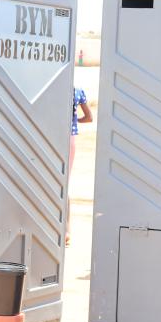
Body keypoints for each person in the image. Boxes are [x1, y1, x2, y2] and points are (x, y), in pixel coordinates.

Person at [67, 87, 93, 246]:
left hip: (55, 135)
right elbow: (89, 117)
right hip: (70, 138)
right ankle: (67, 231)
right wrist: (76, 121)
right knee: (66, 184)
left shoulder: (57, 87)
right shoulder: (78, 92)